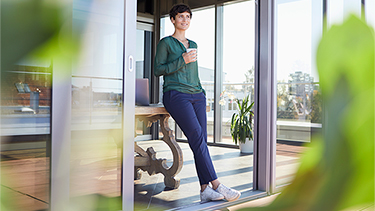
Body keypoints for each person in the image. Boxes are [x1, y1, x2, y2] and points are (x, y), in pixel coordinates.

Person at [154, 3, 241, 202]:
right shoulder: (166, 43)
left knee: (200, 141)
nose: (185, 20)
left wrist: (201, 93)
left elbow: (193, 74)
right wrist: (181, 60)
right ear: (173, 20)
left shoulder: (193, 43)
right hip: (176, 94)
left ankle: (204, 189)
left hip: (197, 95)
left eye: (188, 17)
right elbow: (158, 70)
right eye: (181, 16)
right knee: (196, 136)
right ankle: (217, 185)